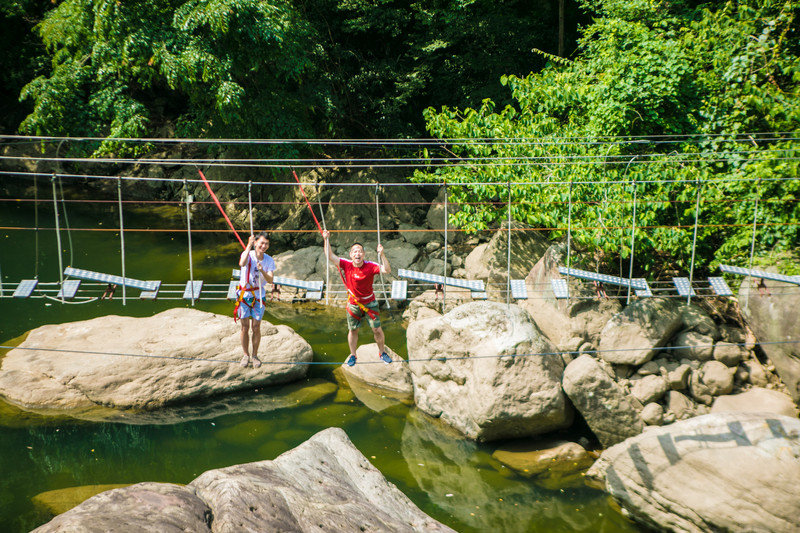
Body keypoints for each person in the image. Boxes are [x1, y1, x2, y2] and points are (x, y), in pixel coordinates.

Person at [322, 229, 391, 366]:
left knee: (377, 329)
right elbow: (330, 256)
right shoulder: (346, 264)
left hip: (370, 302)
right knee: (353, 330)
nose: (357, 253)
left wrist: (382, 254)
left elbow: (387, 270)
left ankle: (382, 352)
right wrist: (326, 239)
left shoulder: (370, 266)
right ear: (351, 255)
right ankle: (353, 355)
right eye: (354, 251)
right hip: (354, 303)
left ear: (364, 254)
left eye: (359, 251)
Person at [235, 232, 275, 368]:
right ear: (256, 243)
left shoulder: (269, 260)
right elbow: (242, 263)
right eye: (261, 243)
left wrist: (262, 270)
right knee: (245, 327)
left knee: (256, 327)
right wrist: (248, 246)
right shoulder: (248, 254)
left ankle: (255, 355)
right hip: (245, 294)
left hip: (259, 295)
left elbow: (270, 280)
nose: (264, 246)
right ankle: (245, 354)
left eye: (266, 244)